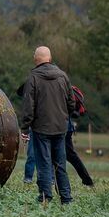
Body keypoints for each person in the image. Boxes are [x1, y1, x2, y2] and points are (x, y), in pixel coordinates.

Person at [19, 45, 76, 204]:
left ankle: (45, 196)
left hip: (41, 128)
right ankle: (66, 198)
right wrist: (64, 116)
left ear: (35, 60)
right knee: (60, 164)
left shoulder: (33, 78)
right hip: (60, 127)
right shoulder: (63, 76)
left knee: (44, 163)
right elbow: (72, 103)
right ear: (50, 59)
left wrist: (25, 127)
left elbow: (28, 106)